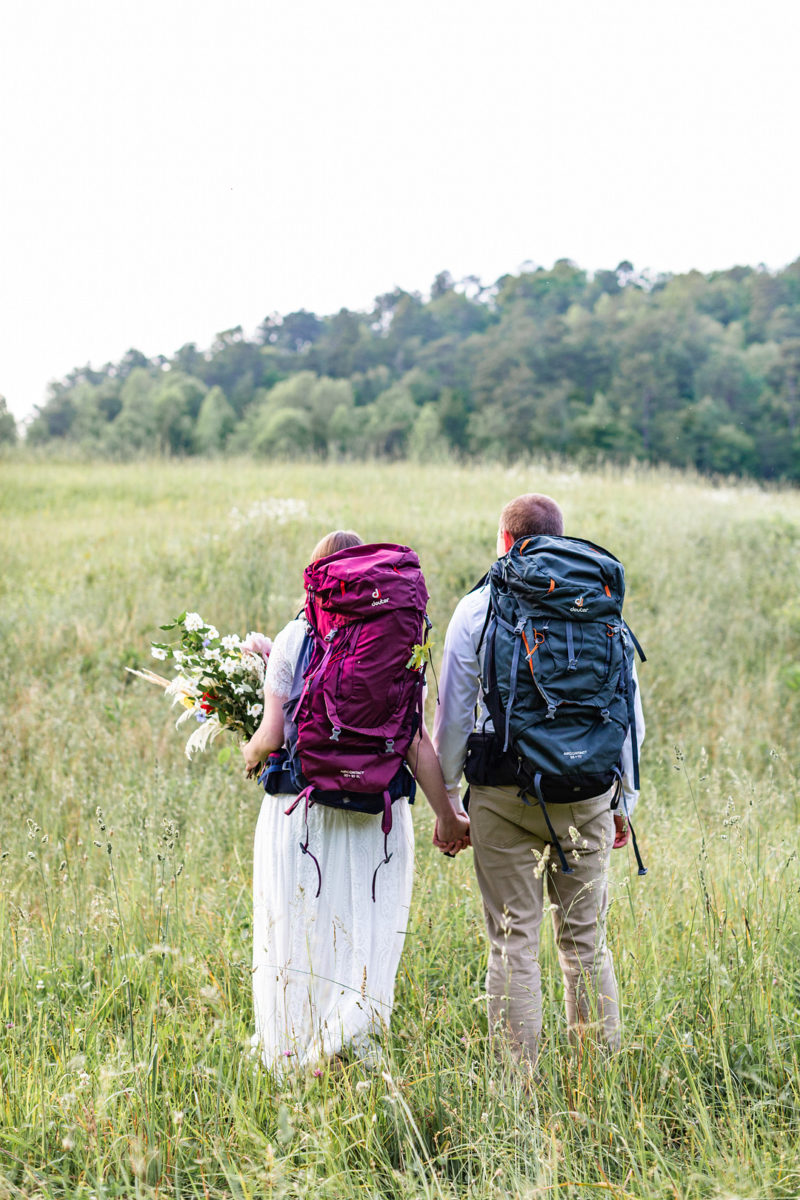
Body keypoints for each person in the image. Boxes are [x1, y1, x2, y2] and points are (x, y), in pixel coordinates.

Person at [242, 529, 469, 1072]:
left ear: (318, 576)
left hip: (302, 811)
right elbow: (415, 739)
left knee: (298, 923)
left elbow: (272, 737)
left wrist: (249, 753)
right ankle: (349, 1041)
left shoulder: (297, 636)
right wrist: (448, 813)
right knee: (360, 924)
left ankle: (292, 1051)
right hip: (376, 813)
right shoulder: (397, 639)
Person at [433, 493, 644, 1068]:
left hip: (502, 794)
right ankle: (595, 1077)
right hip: (588, 795)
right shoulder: (599, 598)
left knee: (513, 938)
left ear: (503, 540)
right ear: (561, 535)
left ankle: (517, 1084)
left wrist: (449, 803)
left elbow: (452, 715)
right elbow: (627, 708)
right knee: (585, 943)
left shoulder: (479, 606)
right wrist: (623, 799)